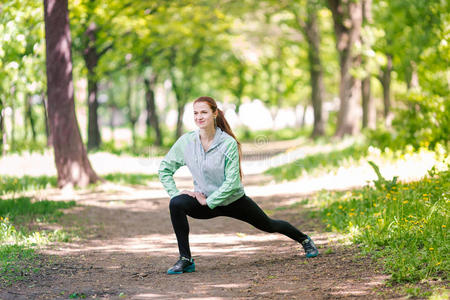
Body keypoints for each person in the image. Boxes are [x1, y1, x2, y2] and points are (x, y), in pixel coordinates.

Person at [158, 96, 319, 275]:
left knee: (269, 224)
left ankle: (304, 240)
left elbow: (233, 183)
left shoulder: (228, 143)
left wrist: (209, 201)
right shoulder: (186, 142)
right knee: (176, 204)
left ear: (214, 113)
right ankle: (186, 260)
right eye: (195, 113)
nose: (199, 117)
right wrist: (176, 193)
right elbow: (165, 168)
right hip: (204, 200)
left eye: (204, 112)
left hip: (233, 200)